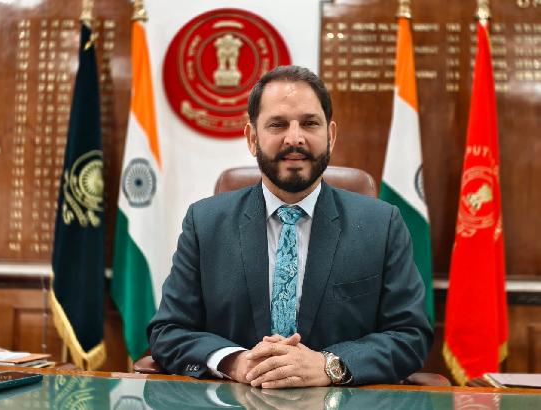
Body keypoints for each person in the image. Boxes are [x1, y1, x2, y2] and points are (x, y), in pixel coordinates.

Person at [148, 65, 432, 388]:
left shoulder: (382, 225)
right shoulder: (205, 224)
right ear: (252, 138)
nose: (294, 138)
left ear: (331, 136)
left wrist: (329, 365)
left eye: (310, 123)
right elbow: (168, 331)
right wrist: (235, 362)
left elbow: (411, 335)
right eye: (277, 124)